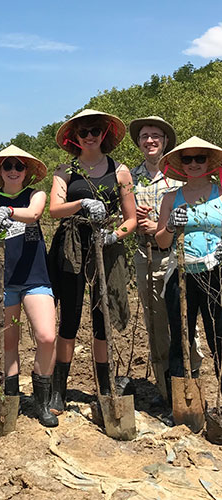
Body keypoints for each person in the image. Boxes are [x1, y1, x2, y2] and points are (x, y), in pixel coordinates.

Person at [48, 109, 137, 414]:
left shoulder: (120, 171)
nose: (89, 136)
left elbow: (131, 219)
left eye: (94, 131)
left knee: (102, 319)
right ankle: (59, 389)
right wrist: (81, 203)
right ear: (75, 137)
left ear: (104, 133)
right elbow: (54, 210)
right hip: (72, 245)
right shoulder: (65, 170)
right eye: (83, 132)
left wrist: (115, 236)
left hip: (106, 247)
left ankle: (105, 386)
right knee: (70, 318)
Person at [0, 145, 58, 427]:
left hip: (35, 274)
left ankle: (42, 400)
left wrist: (8, 211)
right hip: (2, 276)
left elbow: (34, 214)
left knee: (47, 336)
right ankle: (11, 397)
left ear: (27, 172)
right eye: (7, 166)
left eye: (19, 166)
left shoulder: (36, 194)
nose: (13, 170)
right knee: (9, 342)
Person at [129, 117, 202, 404]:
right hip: (144, 258)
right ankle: (165, 390)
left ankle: (192, 384)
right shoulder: (130, 177)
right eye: (145, 136)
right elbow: (122, 215)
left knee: (186, 326)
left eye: (156, 136)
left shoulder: (180, 177)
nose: (150, 140)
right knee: (157, 327)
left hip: (180, 260)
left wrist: (160, 227)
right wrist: (135, 219)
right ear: (139, 142)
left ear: (165, 141)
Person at [156, 137, 222, 393]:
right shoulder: (171, 197)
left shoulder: (220, 193)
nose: (194, 164)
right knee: (181, 338)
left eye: (199, 158)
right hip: (181, 273)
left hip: (216, 273)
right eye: (187, 159)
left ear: (209, 162)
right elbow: (162, 242)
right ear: (181, 165)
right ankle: (182, 400)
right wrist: (171, 224)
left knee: (219, 336)